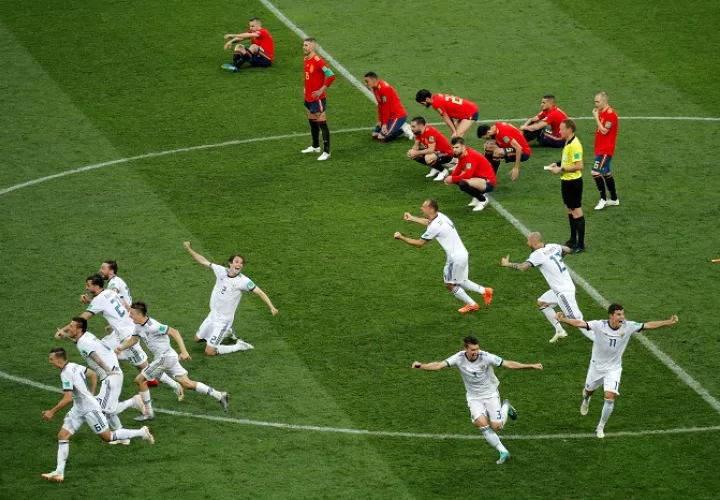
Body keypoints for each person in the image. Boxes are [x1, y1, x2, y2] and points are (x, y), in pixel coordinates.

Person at [411, 335, 543, 464]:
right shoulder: (458, 358)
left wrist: (530, 365)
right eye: (473, 350)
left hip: (490, 394)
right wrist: (421, 366)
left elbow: (509, 364)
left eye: (477, 349)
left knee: (497, 426)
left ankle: (506, 406)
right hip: (474, 397)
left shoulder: (486, 357)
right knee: (483, 425)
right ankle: (503, 452)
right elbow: (439, 365)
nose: (475, 352)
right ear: (466, 349)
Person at [557, 305, 679, 438]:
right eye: (619, 314)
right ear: (611, 316)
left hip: (613, 369)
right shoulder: (599, 325)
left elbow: (648, 325)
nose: (622, 317)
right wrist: (563, 320)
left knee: (610, 397)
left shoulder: (629, 326)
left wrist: (667, 322)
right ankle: (586, 399)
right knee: (588, 391)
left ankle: (600, 426)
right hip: (596, 367)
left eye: (622, 314)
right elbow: (580, 323)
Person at [41, 348, 154, 482]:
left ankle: (141, 432)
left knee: (108, 437)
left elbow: (67, 398)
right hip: (78, 409)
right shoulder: (74, 366)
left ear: (59, 360)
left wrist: (51, 412)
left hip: (90, 409)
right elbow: (93, 374)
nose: (50, 362)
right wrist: (90, 393)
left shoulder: (65, 373)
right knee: (62, 435)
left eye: (51, 359)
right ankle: (59, 472)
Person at [60, 275, 182, 396]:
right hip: (120, 333)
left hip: (127, 335)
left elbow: (82, 319)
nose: (86, 288)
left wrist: (63, 329)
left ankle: (173, 384)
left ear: (96, 286)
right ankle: (110, 375)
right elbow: (124, 306)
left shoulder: (99, 300)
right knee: (103, 349)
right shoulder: (109, 292)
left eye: (88, 285)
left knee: (142, 365)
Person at [117, 302, 229, 421]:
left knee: (139, 380)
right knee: (187, 383)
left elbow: (174, 332)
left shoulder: (153, 326)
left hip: (165, 358)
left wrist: (184, 351)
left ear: (140, 314)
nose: (129, 316)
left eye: (132, 313)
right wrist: (119, 348)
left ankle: (149, 413)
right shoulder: (138, 326)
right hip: (168, 357)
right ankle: (219, 395)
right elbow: (133, 340)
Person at [56, 317, 146, 443]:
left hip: (111, 376)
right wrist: (64, 335)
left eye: (71, 326)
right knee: (108, 409)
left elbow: (95, 356)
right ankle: (122, 436)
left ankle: (134, 402)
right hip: (113, 374)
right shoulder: (86, 336)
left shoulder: (83, 343)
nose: (68, 328)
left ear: (79, 329)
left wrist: (107, 369)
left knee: (102, 409)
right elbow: (78, 341)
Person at [393, 200, 493, 313]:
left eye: (424, 206)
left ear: (431, 209)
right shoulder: (440, 216)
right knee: (461, 280)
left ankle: (472, 304)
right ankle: (485, 291)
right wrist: (412, 218)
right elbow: (429, 223)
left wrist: (401, 237)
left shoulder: (434, 226)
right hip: (462, 254)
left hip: (455, 259)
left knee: (449, 284)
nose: (421, 208)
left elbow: (419, 243)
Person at [183, 242, 278, 356]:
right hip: (213, 315)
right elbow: (203, 261)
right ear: (230, 263)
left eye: (241, 263)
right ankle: (227, 332)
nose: (239, 264)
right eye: (237, 261)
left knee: (209, 351)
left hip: (223, 320)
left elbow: (260, 292)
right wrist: (189, 249)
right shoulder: (220, 271)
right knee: (197, 339)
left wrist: (272, 307)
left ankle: (239, 346)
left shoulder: (244, 281)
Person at [500, 232, 592, 343]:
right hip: (562, 287)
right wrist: (559, 258)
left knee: (577, 322)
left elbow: (523, 267)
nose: (527, 243)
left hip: (563, 292)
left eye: (528, 241)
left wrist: (507, 264)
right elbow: (567, 249)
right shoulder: (553, 246)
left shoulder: (537, 254)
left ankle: (601, 339)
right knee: (542, 302)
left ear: (533, 243)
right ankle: (559, 330)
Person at [547, 119, 586, 253]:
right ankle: (572, 239)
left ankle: (580, 245)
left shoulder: (575, 145)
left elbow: (579, 165)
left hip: (573, 183)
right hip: (566, 182)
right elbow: (567, 160)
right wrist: (557, 164)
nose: (559, 131)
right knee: (570, 210)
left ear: (569, 130)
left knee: (577, 212)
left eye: (562, 129)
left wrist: (561, 169)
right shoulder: (568, 141)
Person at [300, 37, 336, 161]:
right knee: (312, 121)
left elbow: (331, 75)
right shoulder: (306, 59)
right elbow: (308, 76)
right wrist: (305, 87)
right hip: (308, 97)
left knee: (322, 123)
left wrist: (322, 89)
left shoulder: (318, 61)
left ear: (313, 47)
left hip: (318, 98)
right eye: (304, 45)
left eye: (306, 45)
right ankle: (315, 146)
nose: (304, 47)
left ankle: (326, 152)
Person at [443, 137, 497, 212]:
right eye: (453, 147)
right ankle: (478, 195)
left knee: (462, 183)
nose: (454, 149)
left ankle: (483, 200)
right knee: (457, 179)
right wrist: (451, 177)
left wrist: (452, 179)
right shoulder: (463, 153)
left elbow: (467, 175)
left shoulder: (470, 156)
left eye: (457, 147)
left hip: (488, 182)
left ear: (463, 146)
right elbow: (459, 167)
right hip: (479, 179)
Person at [363, 72, 413, 141]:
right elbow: (380, 105)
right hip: (389, 116)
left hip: (397, 115)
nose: (365, 84)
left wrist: (384, 124)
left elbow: (386, 107)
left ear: (373, 80)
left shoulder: (384, 88)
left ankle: (402, 128)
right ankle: (397, 127)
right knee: (375, 135)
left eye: (367, 81)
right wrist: (380, 120)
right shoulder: (375, 88)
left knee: (381, 138)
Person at [591, 92, 620, 210]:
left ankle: (603, 199)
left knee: (595, 172)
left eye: (597, 102)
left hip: (605, 150)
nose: (595, 104)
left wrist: (596, 117)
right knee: (606, 173)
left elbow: (604, 131)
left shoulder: (610, 114)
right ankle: (614, 199)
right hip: (600, 148)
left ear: (605, 101)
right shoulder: (602, 111)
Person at [415, 89, 479, 138]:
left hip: (470, 112)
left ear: (427, 99)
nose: (422, 105)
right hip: (467, 110)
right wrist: (454, 131)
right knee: (456, 136)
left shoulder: (436, 104)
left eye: (422, 103)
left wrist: (454, 132)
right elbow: (448, 116)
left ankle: (461, 153)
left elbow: (446, 118)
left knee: (457, 137)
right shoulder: (436, 96)